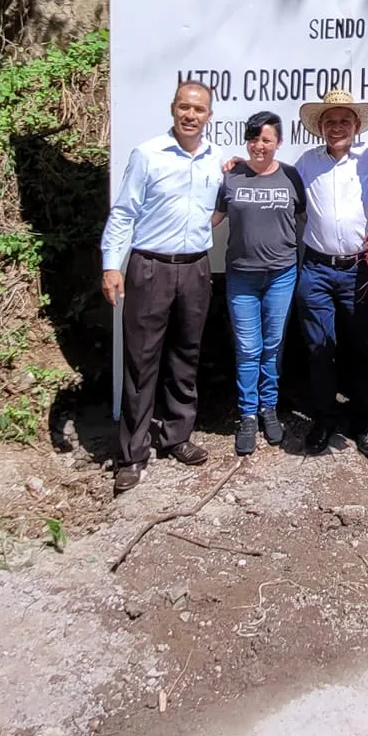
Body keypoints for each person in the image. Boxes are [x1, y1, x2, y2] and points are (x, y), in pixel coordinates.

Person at [102, 81, 223, 497]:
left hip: (196, 269)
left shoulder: (214, 159)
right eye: (185, 107)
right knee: (141, 361)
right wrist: (110, 266)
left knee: (186, 355)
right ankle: (132, 455)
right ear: (173, 108)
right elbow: (122, 214)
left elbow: (217, 207)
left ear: (209, 115)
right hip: (149, 267)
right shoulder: (147, 154)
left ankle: (176, 436)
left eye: (200, 109)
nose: (191, 115)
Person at [295, 88, 368, 459]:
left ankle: (363, 425)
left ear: (356, 126)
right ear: (319, 127)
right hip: (316, 269)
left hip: (359, 269)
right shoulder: (304, 163)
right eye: (329, 122)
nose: (337, 127)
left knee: (361, 350)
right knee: (318, 351)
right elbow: (289, 200)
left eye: (344, 121)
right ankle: (324, 420)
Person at [213, 111, 305, 457]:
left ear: (278, 142)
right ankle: (247, 414)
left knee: (273, 345)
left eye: (266, 139)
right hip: (242, 276)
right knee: (248, 348)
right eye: (254, 138)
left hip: (282, 275)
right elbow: (213, 218)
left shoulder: (292, 177)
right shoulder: (232, 176)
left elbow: (307, 219)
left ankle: (269, 408)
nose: (259, 145)